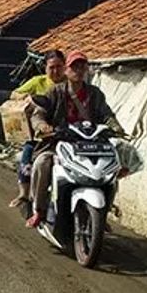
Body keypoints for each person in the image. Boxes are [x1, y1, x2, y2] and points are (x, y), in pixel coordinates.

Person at [26, 50, 125, 228]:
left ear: (87, 69)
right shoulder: (55, 92)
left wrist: (116, 128)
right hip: (59, 142)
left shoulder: (95, 94)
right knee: (42, 163)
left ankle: (102, 213)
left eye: (82, 66)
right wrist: (42, 126)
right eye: (74, 67)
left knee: (111, 170)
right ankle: (39, 211)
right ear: (67, 70)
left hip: (90, 144)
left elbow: (107, 115)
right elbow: (39, 114)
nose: (78, 70)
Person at [8, 49, 65, 208]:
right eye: (51, 67)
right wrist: (28, 98)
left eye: (59, 67)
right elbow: (14, 94)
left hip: (64, 133)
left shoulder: (70, 84)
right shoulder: (38, 82)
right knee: (27, 158)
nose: (55, 71)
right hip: (39, 133)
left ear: (65, 67)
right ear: (45, 68)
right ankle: (24, 195)